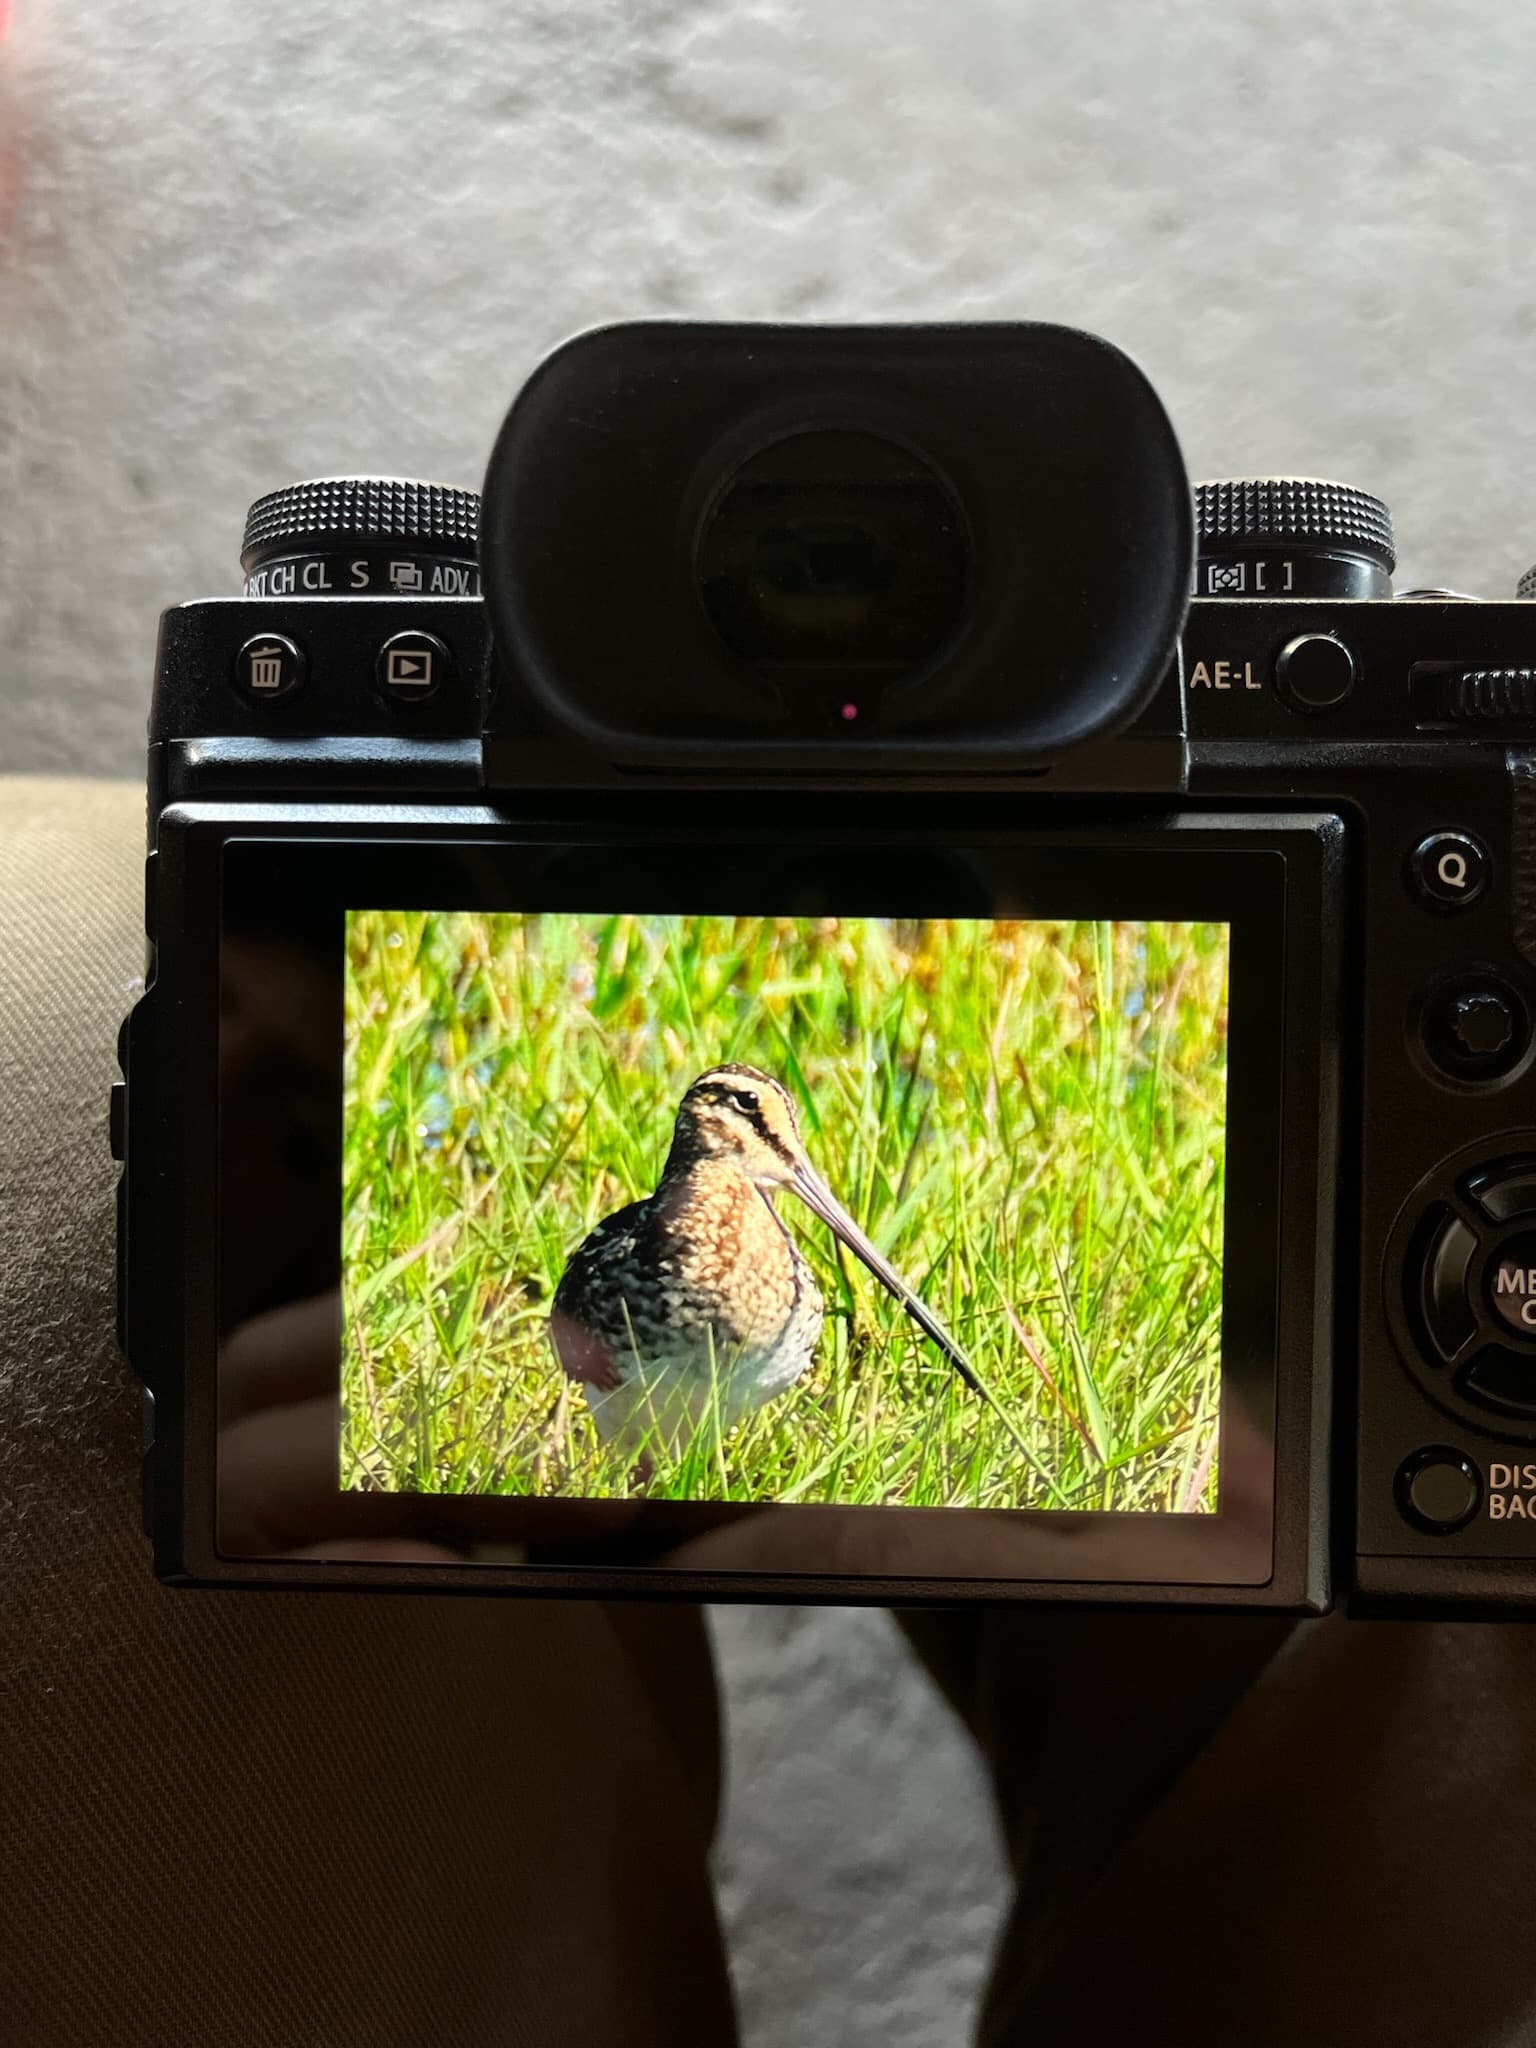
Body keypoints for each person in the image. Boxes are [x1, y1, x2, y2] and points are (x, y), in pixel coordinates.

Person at [5, 776, 1533, 2046]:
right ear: (706, 1125)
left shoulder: (779, 1251)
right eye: (281, 1108)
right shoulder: (610, 1252)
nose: (787, 1166)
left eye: (294, 1085)